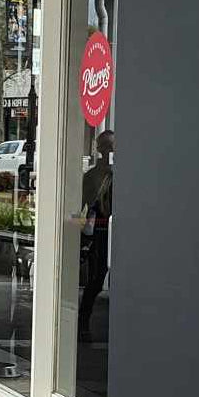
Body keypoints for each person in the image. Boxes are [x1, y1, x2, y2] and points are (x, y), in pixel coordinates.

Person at [78, 130, 113, 339]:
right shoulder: (93, 176)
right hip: (99, 232)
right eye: (107, 147)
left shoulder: (115, 173)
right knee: (96, 279)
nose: (110, 152)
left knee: (98, 278)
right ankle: (83, 321)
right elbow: (81, 206)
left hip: (107, 230)